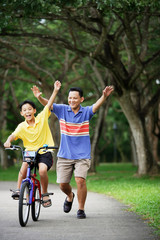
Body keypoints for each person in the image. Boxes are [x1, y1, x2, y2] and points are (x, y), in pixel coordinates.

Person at [32, 83, 114, 218]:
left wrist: (104, 96)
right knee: (63, 185)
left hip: (82, 155)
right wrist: (39, 97)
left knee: (80, 180)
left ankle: (81, 209)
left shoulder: (86, 112)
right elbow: (48, 104)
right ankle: (70, 196)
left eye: (75, 98)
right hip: (65, 155)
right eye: (70, 98)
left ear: (81, 99)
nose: (72, 101)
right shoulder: (62, 110)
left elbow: (96, 105)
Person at [4, 80, 61, 207]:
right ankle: (19, 189)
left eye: (30, 109)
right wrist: (8, 141)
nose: (27, 111)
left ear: (34, 110)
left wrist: (55, 90)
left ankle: (44, 193)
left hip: (44, 151)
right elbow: (13, 135)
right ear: (21, 113)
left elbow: (50, 103)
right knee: (24, 167)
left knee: (41, 171)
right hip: (30, 152)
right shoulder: (21, 126)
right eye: (25, 110)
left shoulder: (41, 117)